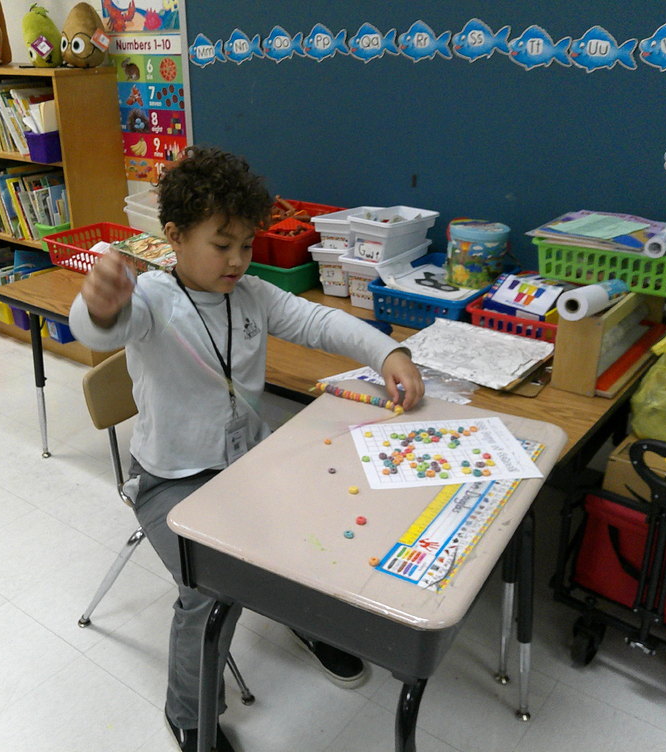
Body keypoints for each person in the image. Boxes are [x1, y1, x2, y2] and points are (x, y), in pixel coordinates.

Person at [69, 146, 424, 752]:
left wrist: (388, 353)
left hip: (246, 466)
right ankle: (189, 712)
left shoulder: (253, 295)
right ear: (175, 236)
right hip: (169, 482)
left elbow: (320, 324)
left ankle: (305, 623)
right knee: (205, 592)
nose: (238, 260)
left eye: (247, 245)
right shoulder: (154, 300)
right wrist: (98, 306)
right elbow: (99, 326)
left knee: (315, 527)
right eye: (222, 244)